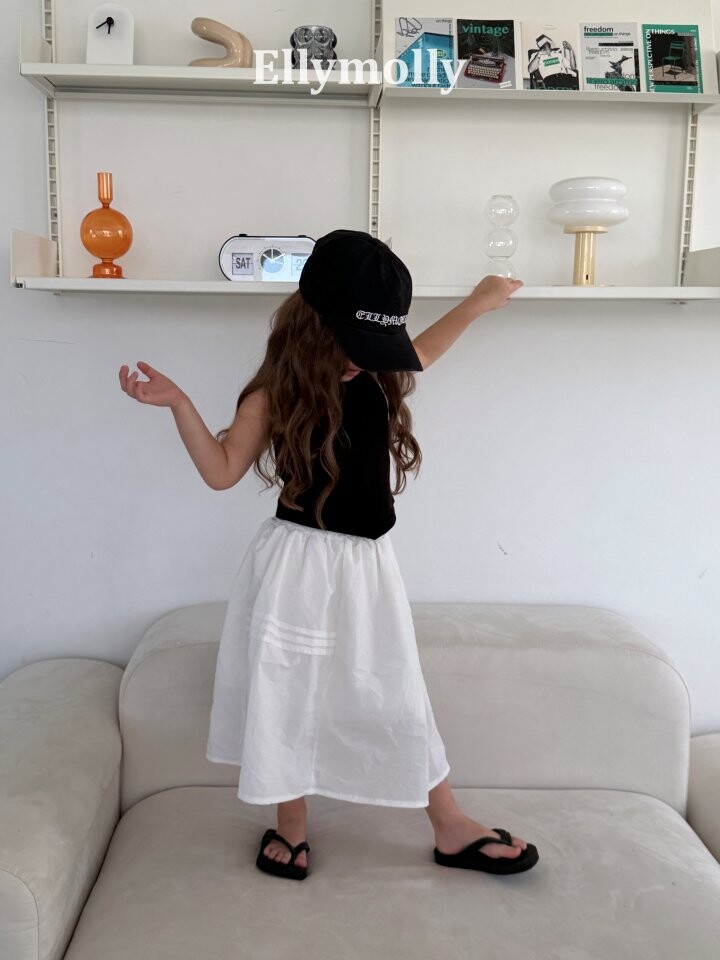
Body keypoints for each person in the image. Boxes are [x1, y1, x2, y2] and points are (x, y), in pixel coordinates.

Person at [118, 228, 539, 881]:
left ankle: (449, 824)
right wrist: (179, 404)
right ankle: (290, 823)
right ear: (313, 326)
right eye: (356, 341)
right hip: (296, 568)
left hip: (367, 568)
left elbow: (427, 348)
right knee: (288, 690)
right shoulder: (271, 396)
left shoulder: (376, 375)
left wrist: (480, 301)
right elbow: (222, 471)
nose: (367, 358)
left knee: (395, 689)